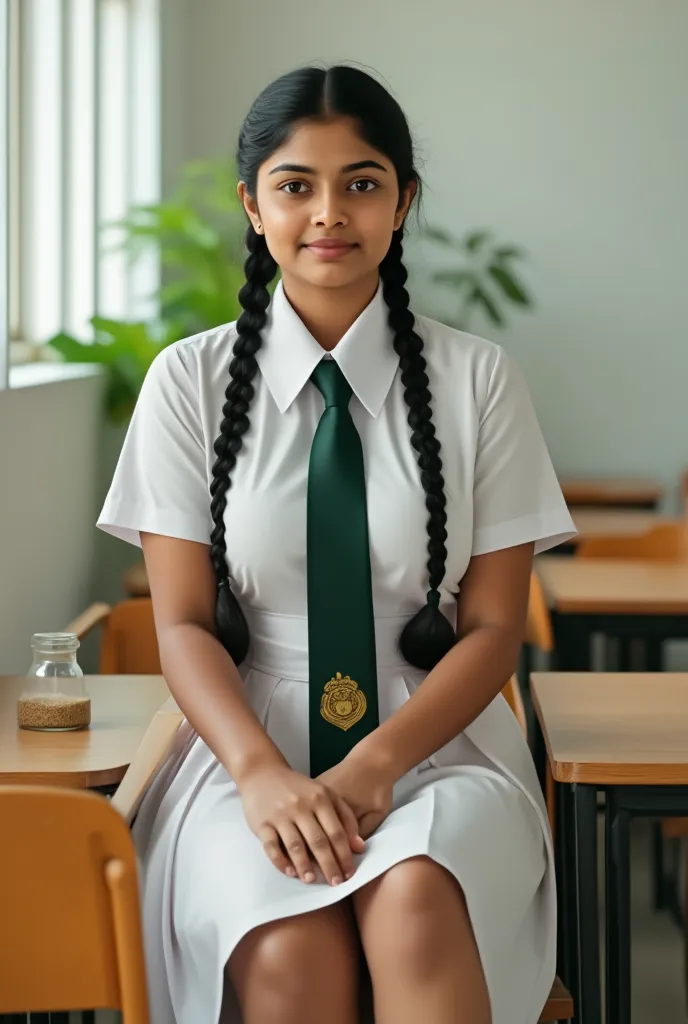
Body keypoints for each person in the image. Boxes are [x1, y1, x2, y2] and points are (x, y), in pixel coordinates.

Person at [98, 64, 576, 1024]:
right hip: (245, 738)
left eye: (362, 183)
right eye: (295, 185)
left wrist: (374, 765)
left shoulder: (478, 381)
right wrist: (262, 775)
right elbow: (185, 623)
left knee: (416, 901)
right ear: (252, 203)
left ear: (404, 201)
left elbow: (490, 631)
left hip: (434, 738)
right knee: (289, 947)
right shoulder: (186, 382)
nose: (329, 213)